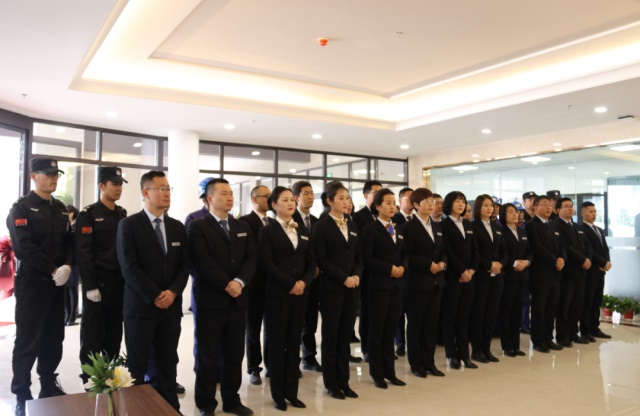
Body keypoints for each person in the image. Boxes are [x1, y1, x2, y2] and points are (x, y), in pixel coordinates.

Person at [116, 170, 189, 412]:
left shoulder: (177, 227)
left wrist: (173, 293)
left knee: (168, 361)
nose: (167, 193)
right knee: (137, 365)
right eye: (161, 189)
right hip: (141, 308)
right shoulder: (129, 225)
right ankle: (136, 410)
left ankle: (170, 408)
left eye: (168, 189)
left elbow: (184, 266)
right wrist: (155, 295)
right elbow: (129, 266)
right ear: (146, 193)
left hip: (170, 309)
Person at [7, 157, 74, 416]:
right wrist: (53, 269)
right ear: (34, 176)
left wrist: (67, 266)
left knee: (53, 337)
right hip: (33, 284)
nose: (54, 178)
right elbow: (23, 247)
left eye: (56, 174)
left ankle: (48, 384)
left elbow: (70, 242)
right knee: (28, 339)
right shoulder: (21, 208)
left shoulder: (59, 208)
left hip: (58, 284)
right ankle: (22, 392)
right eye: (48, 174)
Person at [189, 178, 256, 416]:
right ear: (210, 199)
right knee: (208, 355)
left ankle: (231, 400)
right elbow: (202, 261)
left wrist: (240, 282)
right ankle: (206, 403)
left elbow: (252, 257)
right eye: (224, 193)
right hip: (210, 301)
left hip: (237, 301)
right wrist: (228, 284)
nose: (230, 197)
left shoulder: (241, 226)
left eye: (231, 193)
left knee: (234, 354)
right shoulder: (197, 226)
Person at [260, 186, 316, 411]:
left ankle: (292, 392)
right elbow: (267, 264)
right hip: (278, 294)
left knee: (294, 343)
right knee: (277, 344)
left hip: (300, 294)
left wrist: (303, 282)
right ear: (274, 205)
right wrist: (290, 284)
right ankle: (278, 394)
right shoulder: (267, 231)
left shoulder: (302, 229)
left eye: (291, 199)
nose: (290, 203)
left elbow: (311, 261)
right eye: (284, 200)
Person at [75, 167, 128, 386]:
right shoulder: (88, 215)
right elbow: (83, 253)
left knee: (114, 334)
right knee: (93, 335)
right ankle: (90, 380)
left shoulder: (122, 214)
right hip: (97, 285)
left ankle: (110, 377)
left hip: (119, 285)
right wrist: (89, 286)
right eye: (114, 184)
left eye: (120, 184)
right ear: (101, 186)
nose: (118, 188)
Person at [313, 181, 362, 399]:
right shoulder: (321, 226)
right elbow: (321, 259)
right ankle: (331, 382)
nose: (345, 202)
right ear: (329, 201)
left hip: (352, 288)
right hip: (332, 288)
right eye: (340, 198)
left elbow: (359, 255)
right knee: (331, 336)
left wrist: (357, 275)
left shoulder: (351, 223)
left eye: (347, 198)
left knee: (345, 336)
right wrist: (344, 278)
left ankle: (344, 381)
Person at [362, 188, 407, 389]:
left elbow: (405, 254)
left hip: (397, 286)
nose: (392, 206)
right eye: (387, 203)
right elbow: (367, 258)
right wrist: (389, 268)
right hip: (379, 286)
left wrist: (402, 267)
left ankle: (390, 372)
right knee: (377, 331)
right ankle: (377, 373)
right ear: (378, 206)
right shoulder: (370, 230)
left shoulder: (397, 228)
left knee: (390, 330)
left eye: (393, 203)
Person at [400, 188, 446, 378]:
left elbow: (443, 251)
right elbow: (407, 255)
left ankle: (429, 362)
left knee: (431, 325)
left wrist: (442, 264)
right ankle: (416, 363)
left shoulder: (436, 226)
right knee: (416, 324)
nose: (431, 204)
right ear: (416, 205)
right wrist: (428, 265)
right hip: (417, 283)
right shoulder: (408, 227)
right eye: (426, 201)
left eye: (432, 201)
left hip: (436, 282)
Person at [440, 191, 478, 370]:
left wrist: (471, 270)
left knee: (464, 317)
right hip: (453, 277)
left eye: (463, 201)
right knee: (450, 317)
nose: (461, 204)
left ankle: (465, 355)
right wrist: (462, 271)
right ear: (449, 204)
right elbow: (447, 251)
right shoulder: (443, 225)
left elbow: (475, 250)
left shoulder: (468, 224)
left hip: (469, 277)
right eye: (457, 201)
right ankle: (451, 355)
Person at [239, 185, 272, 386]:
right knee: (253, 329)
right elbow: (249, 253)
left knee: (271, 328)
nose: (269, 199)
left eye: (270, 196)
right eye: (265, 196)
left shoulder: (274, 222)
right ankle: (254, 368)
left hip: (273, 284)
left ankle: (271, 365)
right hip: (253, 285)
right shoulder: (245, 222)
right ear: (254, 199)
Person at [525, 195, 566, 353]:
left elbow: (562, 246)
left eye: (550, 205)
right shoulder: (531, 225)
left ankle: (548, 338)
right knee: (539, 309)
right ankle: (538, 340)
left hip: (555, 274)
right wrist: (555, 260)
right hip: (540, 274)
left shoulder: (554, 225)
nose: (548, 207)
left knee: (551, 308)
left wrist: (562, 258)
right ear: (535, 207)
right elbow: (537, 248)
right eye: (544, 205)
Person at [470, 195, 507, 364]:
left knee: (491, 314)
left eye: (491, 205)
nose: (489, 208)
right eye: (485, 205)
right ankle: (477, 350)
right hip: (481, 276)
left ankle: (487, 349)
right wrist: (489, 265)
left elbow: (504, 251)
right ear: (478, 208)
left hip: (497, 276)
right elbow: (474, 252)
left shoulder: (497, 227)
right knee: (479, 314)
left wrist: (500, 264)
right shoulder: (472, 226)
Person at [291, 180, 322, 373]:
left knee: (311, 321)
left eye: (312, 193)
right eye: (306, 193)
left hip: (315, 277)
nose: (310, 196)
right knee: (295, 322)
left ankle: (309, 357)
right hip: (296, 278)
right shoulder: (290, 219)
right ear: (296, 198)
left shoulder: (317, 221)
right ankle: (292, 361)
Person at [554, 197, 591, 347]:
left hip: (581, 272)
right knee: (565, 305)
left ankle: (573, 333)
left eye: (571, 205)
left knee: (577, 304)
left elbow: (587, 245)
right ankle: (562, 336)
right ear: (558, 210)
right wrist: (582, 260)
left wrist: (588, 259)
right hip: (568, 272)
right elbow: (566, 247)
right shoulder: (557, 225)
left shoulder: (578, 227)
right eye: (566, 206)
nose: (570, 208)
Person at [351, 180, 382, 362]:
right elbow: (360, 245)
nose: (378, 195)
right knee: (367, 311)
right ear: (366, 195)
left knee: (381, 314)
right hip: (367, 271)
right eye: (375, 192)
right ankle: (366, 348)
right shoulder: (360, 217)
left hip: (384, 272)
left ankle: (380, 347)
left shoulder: (385, 217)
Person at [497, 203, 532, 357]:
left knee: (517, 311)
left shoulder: (522, 231)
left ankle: (516, 345)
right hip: (508, 276)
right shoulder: (500, 231)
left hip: (522, 276)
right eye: (510, 212)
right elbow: (501, 253)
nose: (515, 214)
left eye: (516, 212)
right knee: (506, 311)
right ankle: (507, 346)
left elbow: (530, 251)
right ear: (503, 215)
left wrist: (526, 262)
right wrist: (514, 263)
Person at [580, 202, 612, 340]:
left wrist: (607, 262)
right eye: (590, 211)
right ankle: (585, 330)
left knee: (597, 300)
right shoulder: (582, 229)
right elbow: (589, 250)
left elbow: (605, 248)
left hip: (601, 271)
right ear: (583, 213)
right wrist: (602, 262)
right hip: (591, 270)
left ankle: (595, 328)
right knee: (588, 300)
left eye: (595, 211)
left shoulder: (599, 229)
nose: (594, 214)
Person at [391, 187, 413, 357]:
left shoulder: (417, 220)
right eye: (408, 198)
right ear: (400, 201)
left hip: (414, 273)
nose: (412, 201)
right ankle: (399, 342)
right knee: (399, 312)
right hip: (399, 272)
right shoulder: (395, 220)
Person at [64, 205, 80, 326]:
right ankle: (67, 315)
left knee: (72, 288)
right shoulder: (65, 226)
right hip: (65, 261)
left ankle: (72, 316)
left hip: (74, 261)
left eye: (68, 213)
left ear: (72, 213)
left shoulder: (77, 226)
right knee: (65, 289)